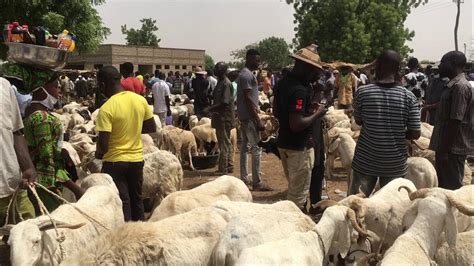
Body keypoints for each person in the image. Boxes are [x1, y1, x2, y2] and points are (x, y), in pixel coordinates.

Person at [351, 50, 421, 196]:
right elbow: (415, 133)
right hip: (395, 164)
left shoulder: (362, 93)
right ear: (398, 69)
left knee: (356, 205)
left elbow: (358, 121)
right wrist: (395, 131)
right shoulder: (409, 97)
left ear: (377, 67)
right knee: (390, 209)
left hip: (365, 161)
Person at [95, 66, 156, 221]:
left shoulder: (106, 108)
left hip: (115, 163)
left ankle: (126, 237)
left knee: (123, 202)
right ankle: (141, 233)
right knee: (137, 199)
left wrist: (98, 154)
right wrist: (132, 129)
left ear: (102, 85)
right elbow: (151, 127)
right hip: (136, 160)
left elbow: (103, 145)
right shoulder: (139, 100)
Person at [273, 44, 327, 210]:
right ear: (305, 67)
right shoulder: (299, 90)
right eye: (313, 71)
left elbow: (276, 111)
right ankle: (295, 230)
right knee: (297, 200)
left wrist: (307, 111)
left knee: (294, 189)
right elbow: (296, 125)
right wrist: (318, 113)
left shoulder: (283, 83)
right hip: (299, 148)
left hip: (284, 143)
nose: (315, 75)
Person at [23, 71, 84, 213]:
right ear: (40, 89)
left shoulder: (28, 114)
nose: (59, 91)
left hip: (38, 183)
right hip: (46, 186)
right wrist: (75, 188)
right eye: (56, 87)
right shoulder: (41, 119)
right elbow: (47, 160)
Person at [429, 51, 473, 190]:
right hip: (447, 148)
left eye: (442, 63)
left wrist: (443, 150)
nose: (440, 66)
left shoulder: (460, 87)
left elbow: (455, 121)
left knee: (451, 191)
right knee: (443, 189)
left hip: (452, 150)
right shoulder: (453, 86)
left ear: (453, 64)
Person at [0, 77, 36, 225]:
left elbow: (15, 130)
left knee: (30, 236)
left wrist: (28, 166)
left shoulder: (3, 85)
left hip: (12, 184)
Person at [236, 49, 271, 191]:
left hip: (245, 116)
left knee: (245, 147)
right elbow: (248, 98)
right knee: (256, 148)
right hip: (249, 117)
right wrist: (257, 119)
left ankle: (244, 178)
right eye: (256, 60)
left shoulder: (247, 74)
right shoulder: (246, 75)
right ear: (249, 59)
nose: (258, 62)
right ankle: (257, 182)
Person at [205, 62, 235, 174]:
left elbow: (224, 102)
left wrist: (209, 109)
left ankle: (223, 169)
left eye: (217, 68)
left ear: (222, 70)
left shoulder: (226, 84)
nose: (214, 69)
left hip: (224, 118)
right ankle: (229, 166)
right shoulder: (220, 82)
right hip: (220, 117)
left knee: (224, 144)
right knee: (226, 142)